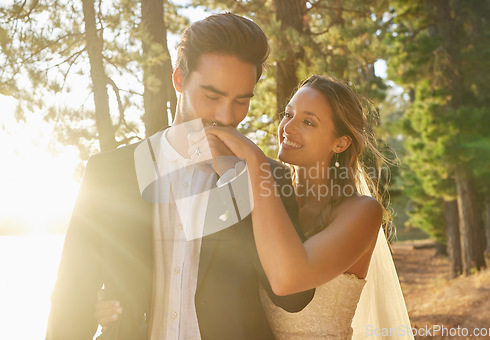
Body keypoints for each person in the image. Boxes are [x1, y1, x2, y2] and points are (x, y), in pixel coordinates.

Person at [46, 13, 313, 340]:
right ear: (178, 80)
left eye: (242, 101)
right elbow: (73, 295)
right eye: (212, 96)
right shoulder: (110, 173)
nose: (226, 116)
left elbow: (293, 297)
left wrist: (243, 182)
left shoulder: (268, 176)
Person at [96, 75, 415, 339]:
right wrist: (114, 298)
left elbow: (288, 280)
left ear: (341, 143)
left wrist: (252, 161)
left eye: (308, 122)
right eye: (288, 114)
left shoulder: (362, 212)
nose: (288, 128)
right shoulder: (270, 192)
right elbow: (186, 252)